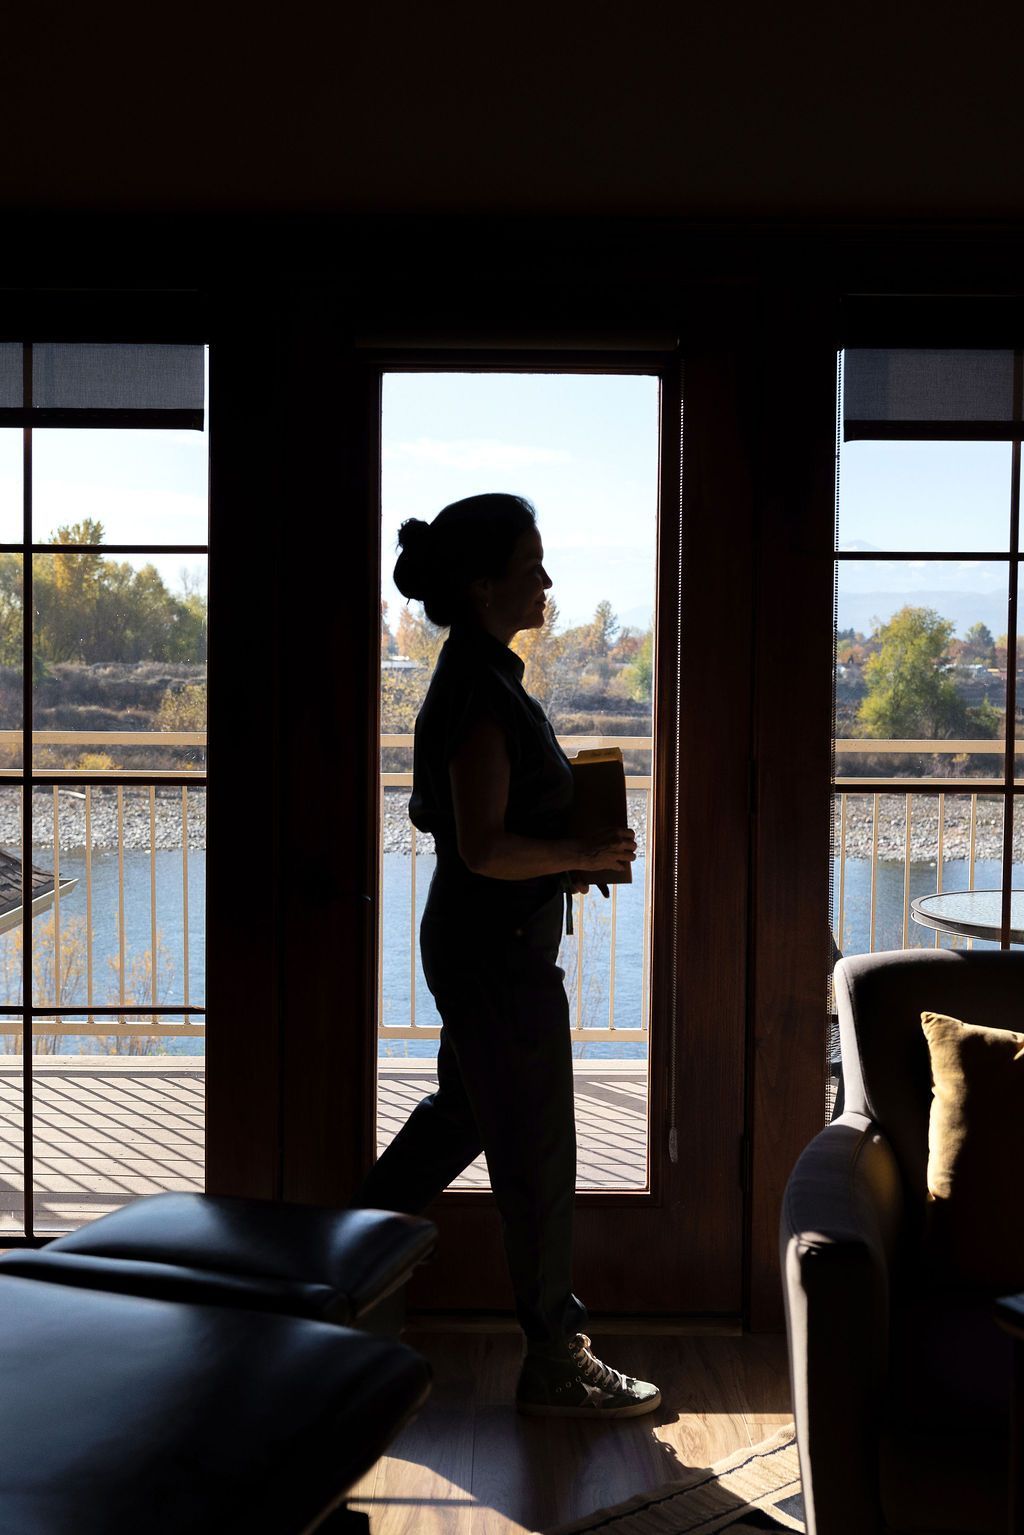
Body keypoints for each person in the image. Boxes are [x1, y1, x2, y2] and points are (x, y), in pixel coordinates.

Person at [354, 492, 661, 1419]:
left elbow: (487, 839)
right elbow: (483, 847)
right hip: (493, 955)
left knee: (463, 1116)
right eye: (532, 565)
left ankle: (334, 1271)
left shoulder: (485, 679)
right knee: (537, 1152)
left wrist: (574, 852)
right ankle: (554, 1357)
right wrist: (578, 854)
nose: (548, 580)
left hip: (484, 944)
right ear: (485, 585)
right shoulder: (478, 695)